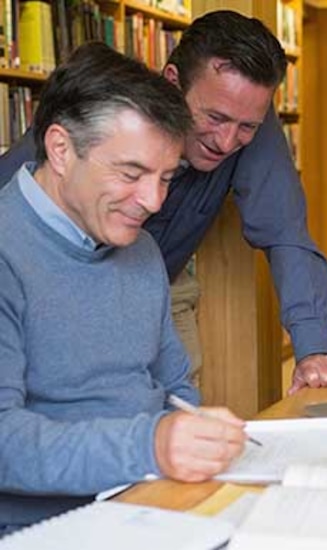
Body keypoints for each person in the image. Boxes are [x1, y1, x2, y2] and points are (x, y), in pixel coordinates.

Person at [0, 10, 327, 394]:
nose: (227, 142)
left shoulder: (248, 121)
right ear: (172, 82)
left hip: (160, 283)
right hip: (55, 286)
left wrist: (314, 349)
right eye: (214, 117)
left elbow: (285, 231)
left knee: (175, 399)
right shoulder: (101, 112)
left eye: (246, 126)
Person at [0, 43, 248, 531]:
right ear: (61, 149)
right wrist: (150, 446)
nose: (153, 201)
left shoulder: (141, 251)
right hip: (42, 530)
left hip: (150, 504)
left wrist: (197, 435)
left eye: (166, 178)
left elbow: (175, 388)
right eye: (132, 174)